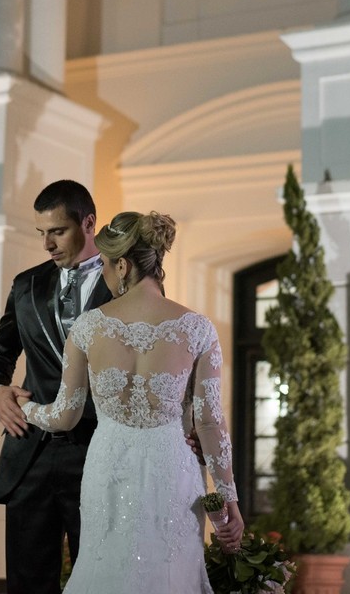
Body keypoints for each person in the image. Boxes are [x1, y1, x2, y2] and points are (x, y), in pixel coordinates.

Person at [19, 210, 244, 593]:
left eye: (106, 264)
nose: (105, 273)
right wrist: (229, 500)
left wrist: (22, 405)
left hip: (109, 466)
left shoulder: (88, 327)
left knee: (107, 567)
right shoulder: (196, 328)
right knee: (170, 572)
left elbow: (64, 416)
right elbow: (210, 423)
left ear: (122, 265)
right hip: (173, 467)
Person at [0, 180, 113, 594]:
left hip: (98, 450)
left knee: (98, 579)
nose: (47, 245)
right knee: (26, 583)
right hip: (30, 451)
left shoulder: (127, 284)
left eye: (56, 231)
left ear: (88, 223)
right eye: (42, 233)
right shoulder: (26, 285)